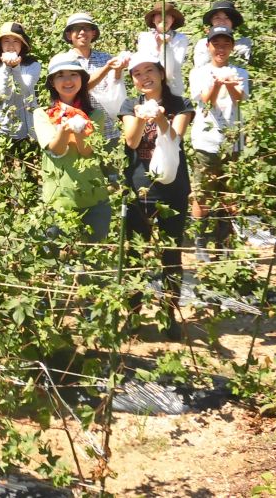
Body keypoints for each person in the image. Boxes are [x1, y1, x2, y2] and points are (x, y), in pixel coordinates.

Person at [119, 55, 194, 340]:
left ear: (161, 73)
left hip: (173, 188)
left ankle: (169, 316)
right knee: (136, 252)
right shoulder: (130, 105)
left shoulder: (180, 104)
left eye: (149, 70)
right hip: (139, 187)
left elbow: (175, 139)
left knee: (171, 254)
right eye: (137, 74)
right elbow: (132, 141)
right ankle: (133, 314)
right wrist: (140, 117)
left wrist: (161, 118)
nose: (143, 77)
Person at [188, 26, 250, 260]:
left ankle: (225, 241)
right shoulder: (199, 73)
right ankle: (200, 242)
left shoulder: (240, 72)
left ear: (232, 48)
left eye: (226, 45)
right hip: (207, 140)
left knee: (229, 193)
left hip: (234, 141)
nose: (221, 49)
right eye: (216, 45)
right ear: (208, 47)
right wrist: (216, 84)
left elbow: (239, 99)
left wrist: (230, 84)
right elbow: (205, 103)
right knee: (202, 192)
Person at [33, 57, 111, 243]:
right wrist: (67, 130)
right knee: (58, 261)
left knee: (92, 259)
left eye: (73, 75)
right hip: (58, 199)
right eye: (60, 76)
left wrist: (70, 133)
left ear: (82, 80)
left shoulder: (96, 115)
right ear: (52, 82)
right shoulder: (42, 114)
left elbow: (86, 151)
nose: (68, 80)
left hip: (94, 198)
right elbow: (57, 149)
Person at [61, 12, 127, 146]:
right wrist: (107, 68)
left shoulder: (105, 58)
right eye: (77, 28)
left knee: (109, 166)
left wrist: (118, 70)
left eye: (86, 28)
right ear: (69, 35)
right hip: (79, 129)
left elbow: (114, 89)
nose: (82, 32)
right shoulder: (65, 61)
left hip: (108, 129)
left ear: (93, 33)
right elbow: (80, 89)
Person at [0, 22, 41, 145]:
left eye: (16, 41)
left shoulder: (33, 65)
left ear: (22, 44)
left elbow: (24, 92)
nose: (11, 45)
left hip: (26, 131)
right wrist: (7, 66)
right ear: (0, 44)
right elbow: (4, 93)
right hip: (1, 129)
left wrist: (15, 67)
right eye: (6, 41)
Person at [135, 1, 190, 98]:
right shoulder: (144, 37)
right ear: (153, 19)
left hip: (173, 88)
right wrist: (158, 46)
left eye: (167, 15)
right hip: (150, 86)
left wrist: (166, 46)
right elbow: (144, 62)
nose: (163, 18)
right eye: (159, 15)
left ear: (172, 19)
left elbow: (176, 65)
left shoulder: (181, 38)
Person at [192, 0, 253, 68]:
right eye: (217, 17)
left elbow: (241, 66)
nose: (222, 21)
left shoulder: (243, 42)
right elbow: (200, 68)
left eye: (227, 18)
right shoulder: (203, 43)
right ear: (211, 21)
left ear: (233, 21)